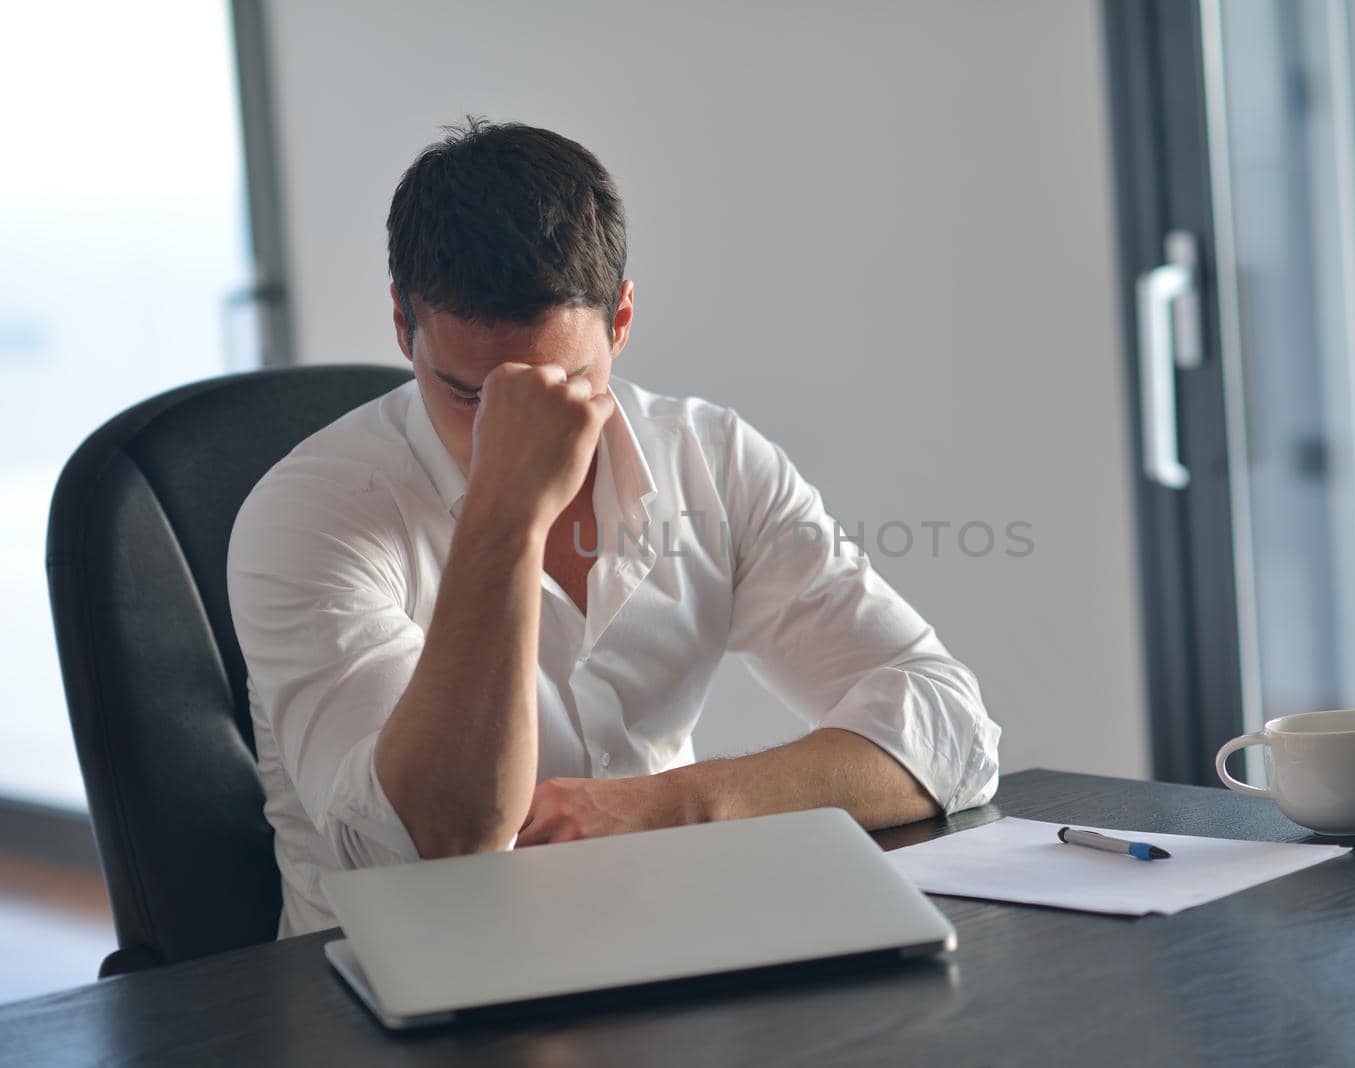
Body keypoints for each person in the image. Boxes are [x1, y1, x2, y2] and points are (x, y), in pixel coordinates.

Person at [227, 119, 1001, 937]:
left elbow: (950, 729)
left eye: (562, 384)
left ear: (622, 319)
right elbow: (440, 849)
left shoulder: (712, 459)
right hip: (388, 993)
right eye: (467, 394)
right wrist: (507, 513)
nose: (510, 426)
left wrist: (657, 807)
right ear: (400, 326)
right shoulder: (308, 512)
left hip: (666, 953)